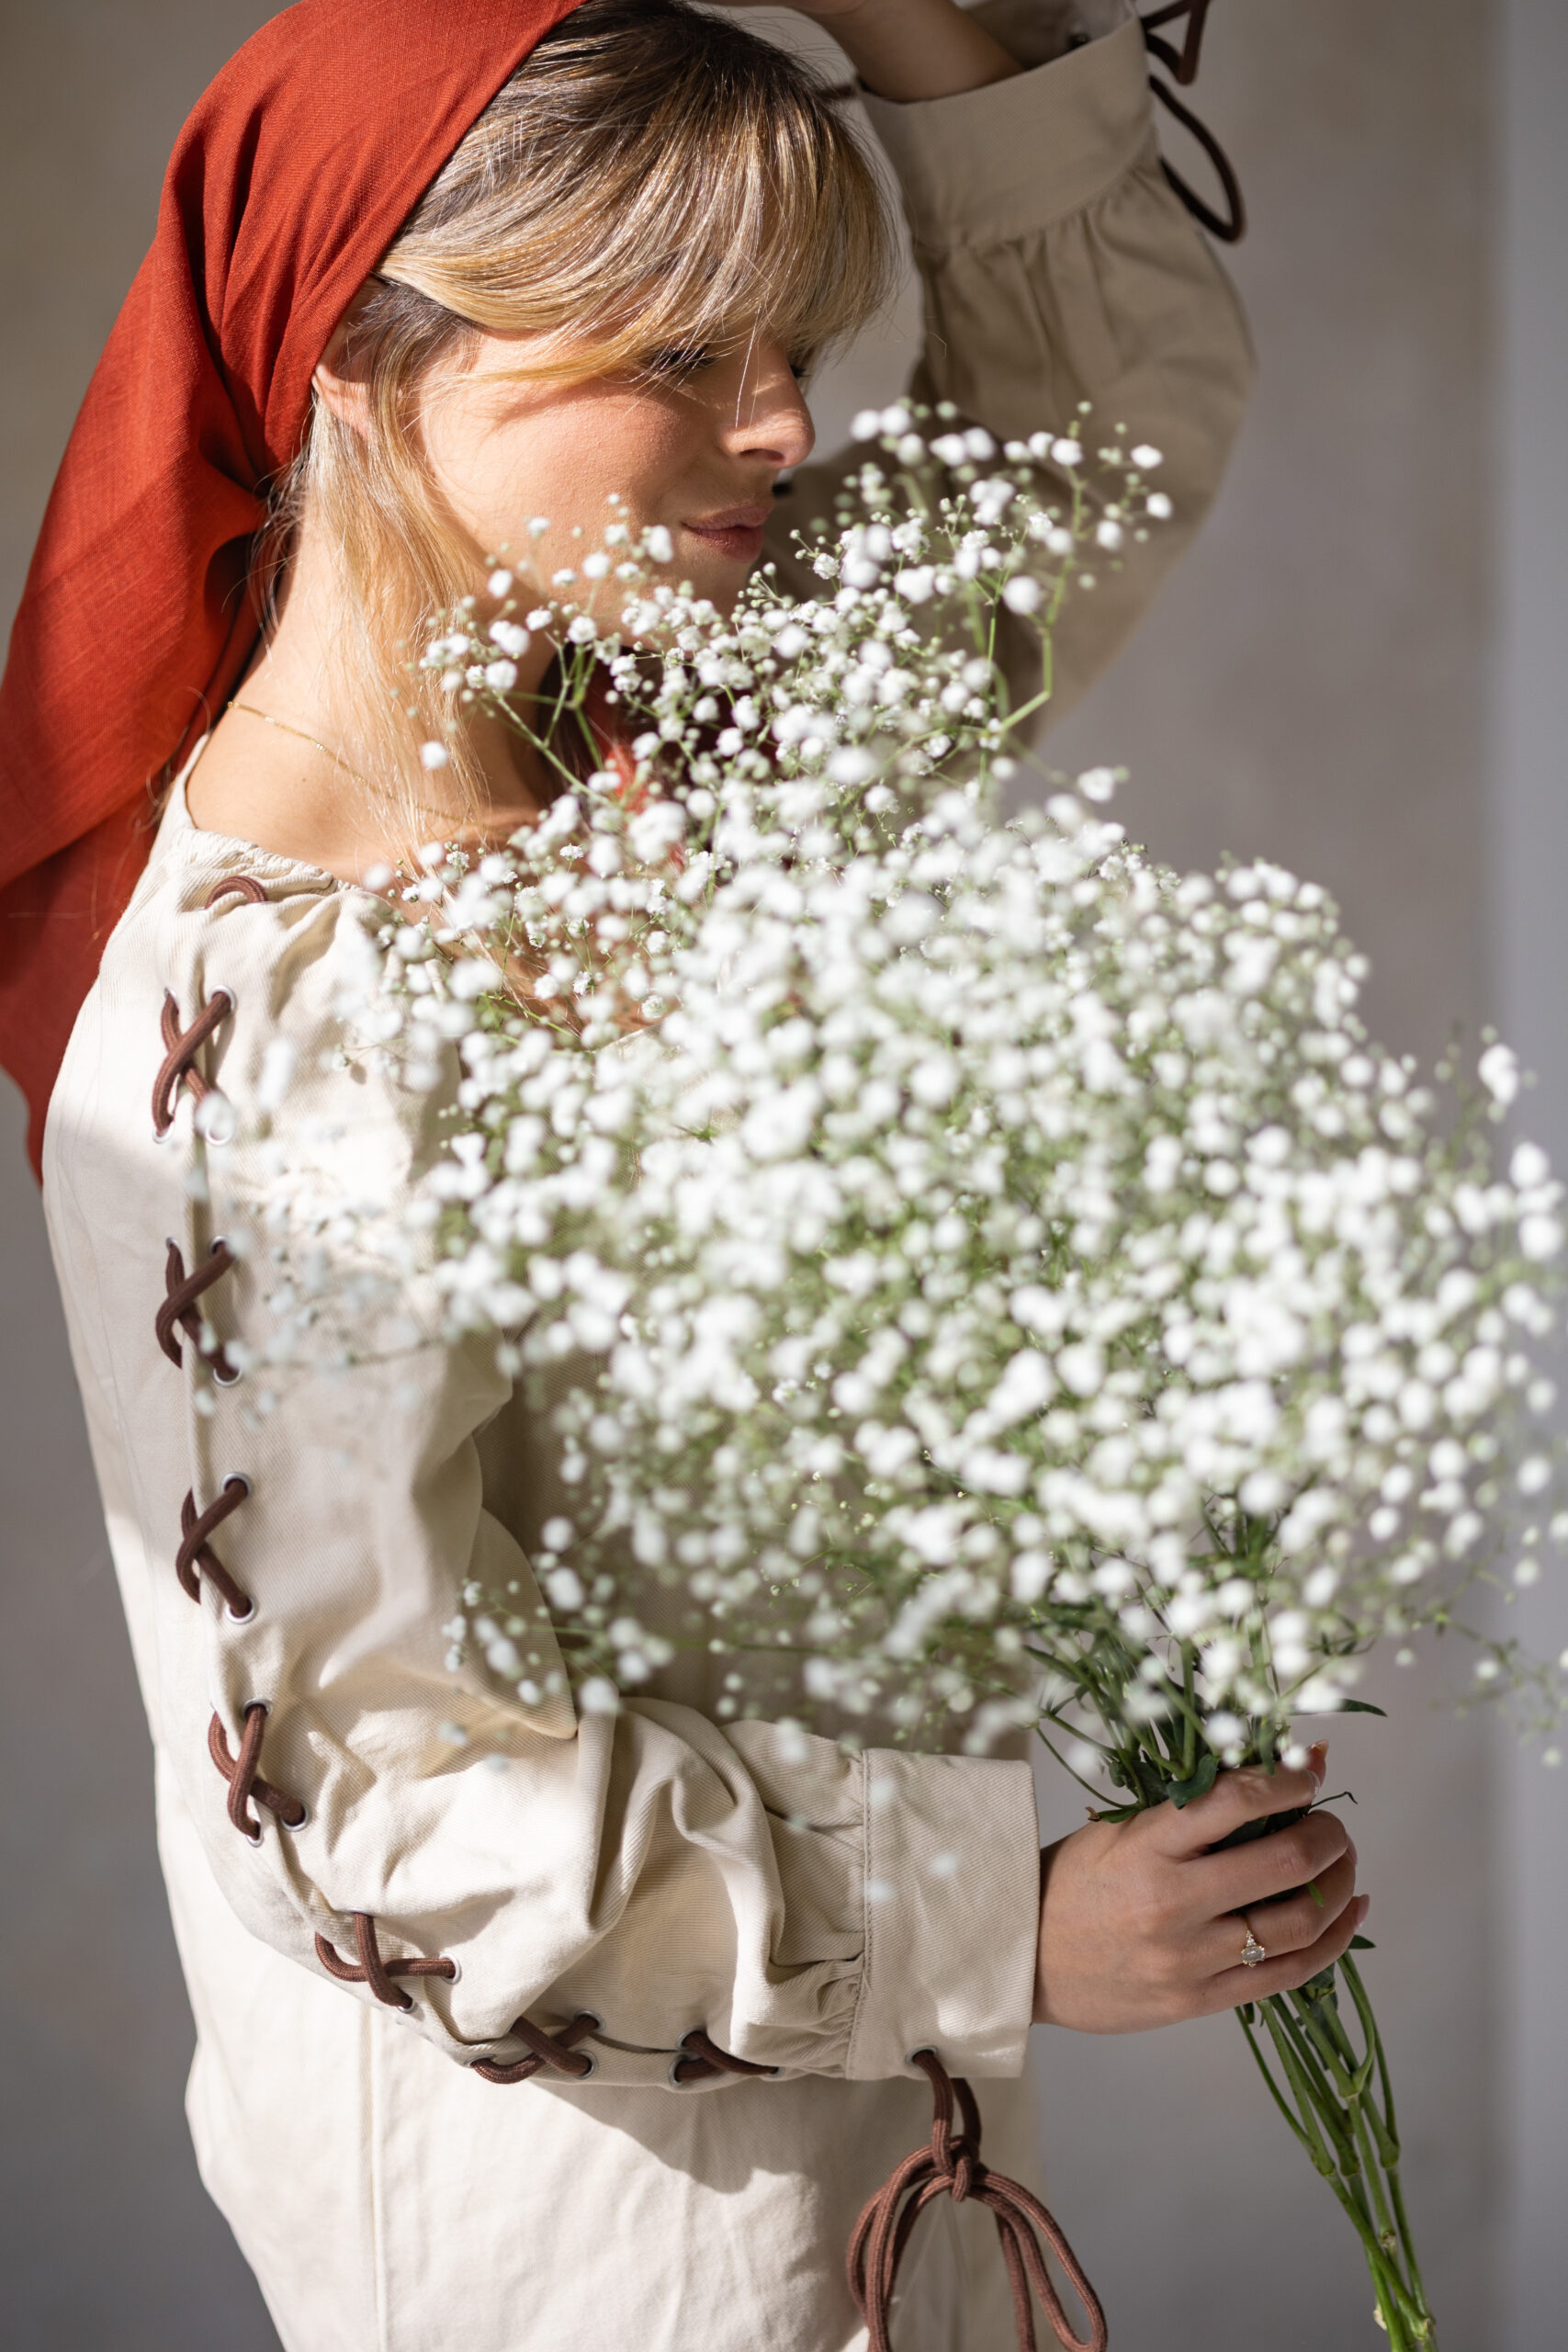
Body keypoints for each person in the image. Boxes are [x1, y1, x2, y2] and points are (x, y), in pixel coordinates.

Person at [5, 3, 1367, 2346]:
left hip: (893, 2187)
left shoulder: (679, 743)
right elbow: (373, 1810)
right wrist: (995, 1920)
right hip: (587, 2255)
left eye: (794, 345)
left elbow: (1101, 419)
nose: (782, 427)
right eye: (675, 351)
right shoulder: (257, 1036)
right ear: (366, 361)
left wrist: (917, 20)